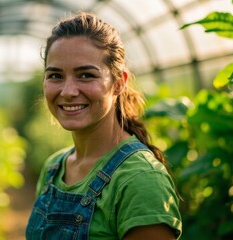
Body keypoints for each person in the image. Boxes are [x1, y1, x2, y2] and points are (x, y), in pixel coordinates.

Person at [26, 11, 182, 240]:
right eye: (55, 76)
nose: (68, 91)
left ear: (119, 83)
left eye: (86, 75)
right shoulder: (53, 168)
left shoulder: (140, 180)